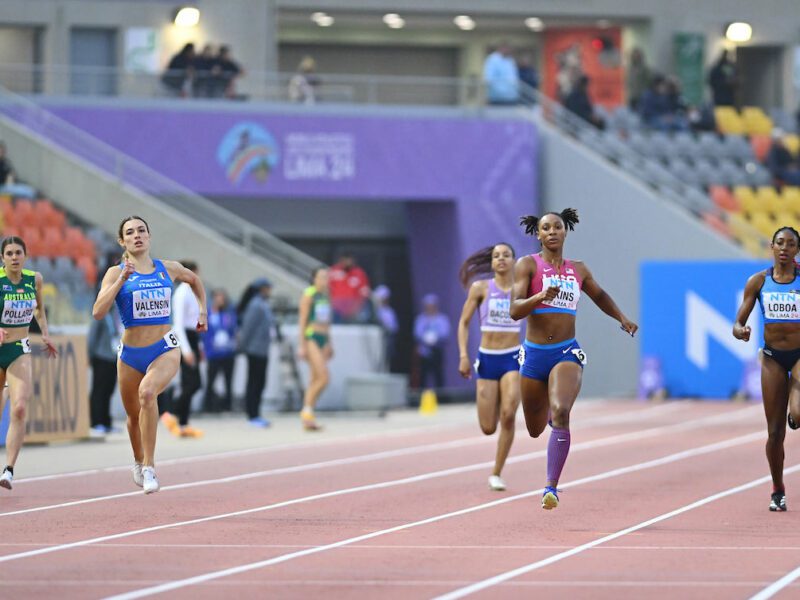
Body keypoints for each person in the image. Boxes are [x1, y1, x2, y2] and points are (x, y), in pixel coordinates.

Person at [509, 209, 637, 510]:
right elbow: (515, 309)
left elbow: (600, 295)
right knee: (534, 428)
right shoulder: (527, 265)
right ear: (538, 235)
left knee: (562, 411)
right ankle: (553, 415)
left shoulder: (577, 270)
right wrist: (539, 296)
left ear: (565, 232)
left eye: (557, 227)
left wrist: (622, 317)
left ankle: (550, 488)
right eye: (546, 228)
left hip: (566, 351)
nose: (552, 231)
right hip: (534, 355)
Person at [92, 216, 207, 494]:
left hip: (164, 348)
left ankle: (150, 466)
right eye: (130, 233)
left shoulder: (167, 268)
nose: (137, 235)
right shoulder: (114, 272)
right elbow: (98, 312)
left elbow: (193, 280)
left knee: (147, 394)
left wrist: (203, 310)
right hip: (130, 353)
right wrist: (121, 279)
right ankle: (137, 460)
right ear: (123, 241)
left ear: (149, 236)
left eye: (141, 230)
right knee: (133, 416)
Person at [732, 226, 800, 512]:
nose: (784, 248)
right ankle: (778, 489)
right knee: (774, 434)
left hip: (799, 357)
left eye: (791, 244)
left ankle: (795, 411)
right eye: (780, 243)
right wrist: (741, 330)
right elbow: (737, 324)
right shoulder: (758, 282)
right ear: (771, 247)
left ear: (797, 250)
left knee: (796, 414)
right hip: (772, 358)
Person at [457, 243, 521, 492]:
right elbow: (463, 323)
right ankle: (494, 399)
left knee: (508, 415)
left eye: (506, 255)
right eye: (497, 256)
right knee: (488, 427)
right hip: (487, 358)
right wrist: (463, 355)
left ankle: (496, 472)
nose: (502, 259)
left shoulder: (521, 290)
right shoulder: (481, 288)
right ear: (492, 263)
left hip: (513, 357)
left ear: (514, 261)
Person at [0, 236, 57, 490]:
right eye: (9, 253)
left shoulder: (34, 279)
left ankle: (8, 470)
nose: (14, 257)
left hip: (19, 348)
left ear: (25, 255)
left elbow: (39, 309)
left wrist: (44, 333)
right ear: (2, 258)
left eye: (18, 253)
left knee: (20, 407)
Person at [159, 260, 204, 438]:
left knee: (190, 383)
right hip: (184, 337)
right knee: (194, 383)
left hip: (193, 337)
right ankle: (171, 412)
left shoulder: (192, 292)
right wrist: (186, 350)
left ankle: (183, 422)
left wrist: (198, 346)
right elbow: (178, 324)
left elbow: (194, 321)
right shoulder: (181, 294)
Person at [297, 267, 332, 431]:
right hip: (311, 337)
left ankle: (309, 416)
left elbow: (326, 322)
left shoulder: (325, 295)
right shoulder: (308, 295)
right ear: (314, 279)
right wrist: (301, 345)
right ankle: (306, 411)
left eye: (326, 277)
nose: (324, 280)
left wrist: (329, 342)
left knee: (314, 379)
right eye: (321, 277)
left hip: (322, 339)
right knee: (324, 377)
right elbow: (302, 321)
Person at [238, 278, 274, 427]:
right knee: (254, 382)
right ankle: (252, 414)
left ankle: (256, 413)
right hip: (254, 350)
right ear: (262, 289)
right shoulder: (256, 305)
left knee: (260, 382)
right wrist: (242, 347)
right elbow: (248, 328)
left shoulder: (263, 304)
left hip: (262, 349)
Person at [87, 301, 121, 436]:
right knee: (99, 391)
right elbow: (92, 337)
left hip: (113, 358)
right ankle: (96, 422)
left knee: (109, 390)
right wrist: (89, 356)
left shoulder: (114, 314)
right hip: (101, 357)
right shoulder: (100, 315)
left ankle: (107, 422)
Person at [202, 288, 237, 412]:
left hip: (228, 353)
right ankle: (208, 405)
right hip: (213, 353)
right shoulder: (208, 314)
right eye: (218, 298)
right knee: (211, 380)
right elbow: (204, 333)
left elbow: (233, 329)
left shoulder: (228, 314)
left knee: (228, 381)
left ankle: (227, 405)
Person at [414, 293, 451, 390]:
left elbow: (445, 333)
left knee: (438, 375)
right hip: (424, 352)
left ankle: (440, 399)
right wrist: (425, 339)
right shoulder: (421, 319)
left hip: (437, 350)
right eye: (428, 306)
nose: (430, 308)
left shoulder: (442, 319)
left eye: (432, 306)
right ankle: (422, 397)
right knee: (423, 376)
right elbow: (417, 333)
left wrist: (435, 338)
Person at [328, 253, 371, 323]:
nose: (347, 263)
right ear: (341, 261)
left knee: (364, 311)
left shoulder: (359, 273)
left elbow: (364, 292)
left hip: (354, 306)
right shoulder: (334, 271)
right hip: (336, 307)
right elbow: (328, 288)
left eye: (349, 261)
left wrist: (356, 307)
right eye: (345, 261)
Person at [373, 285, 398, 372]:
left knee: (386, 360)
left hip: (387, 338)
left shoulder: (390, 311)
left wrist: (386, 327)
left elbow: (394, 328)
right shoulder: (374, 311)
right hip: (376, 340)